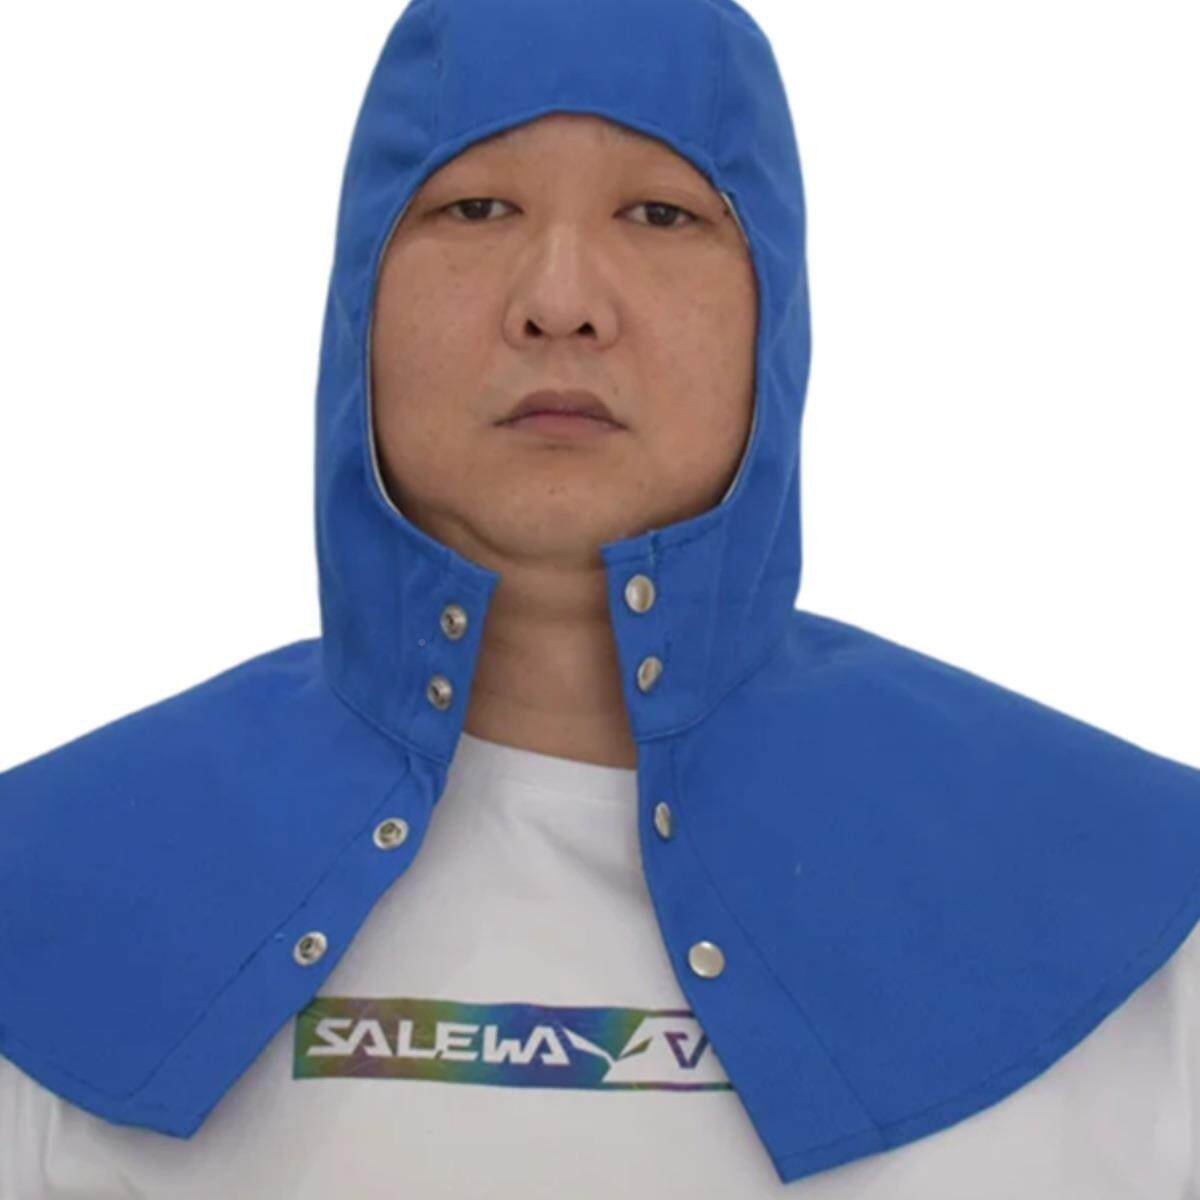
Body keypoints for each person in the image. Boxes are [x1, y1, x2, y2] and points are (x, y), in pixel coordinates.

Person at [1, 0, 1198, 1195]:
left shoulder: (1146, 923)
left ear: (774, 307)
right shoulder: (40, 899)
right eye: (476, 208)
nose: (561, 298)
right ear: (357, 293)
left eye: (661, 213)